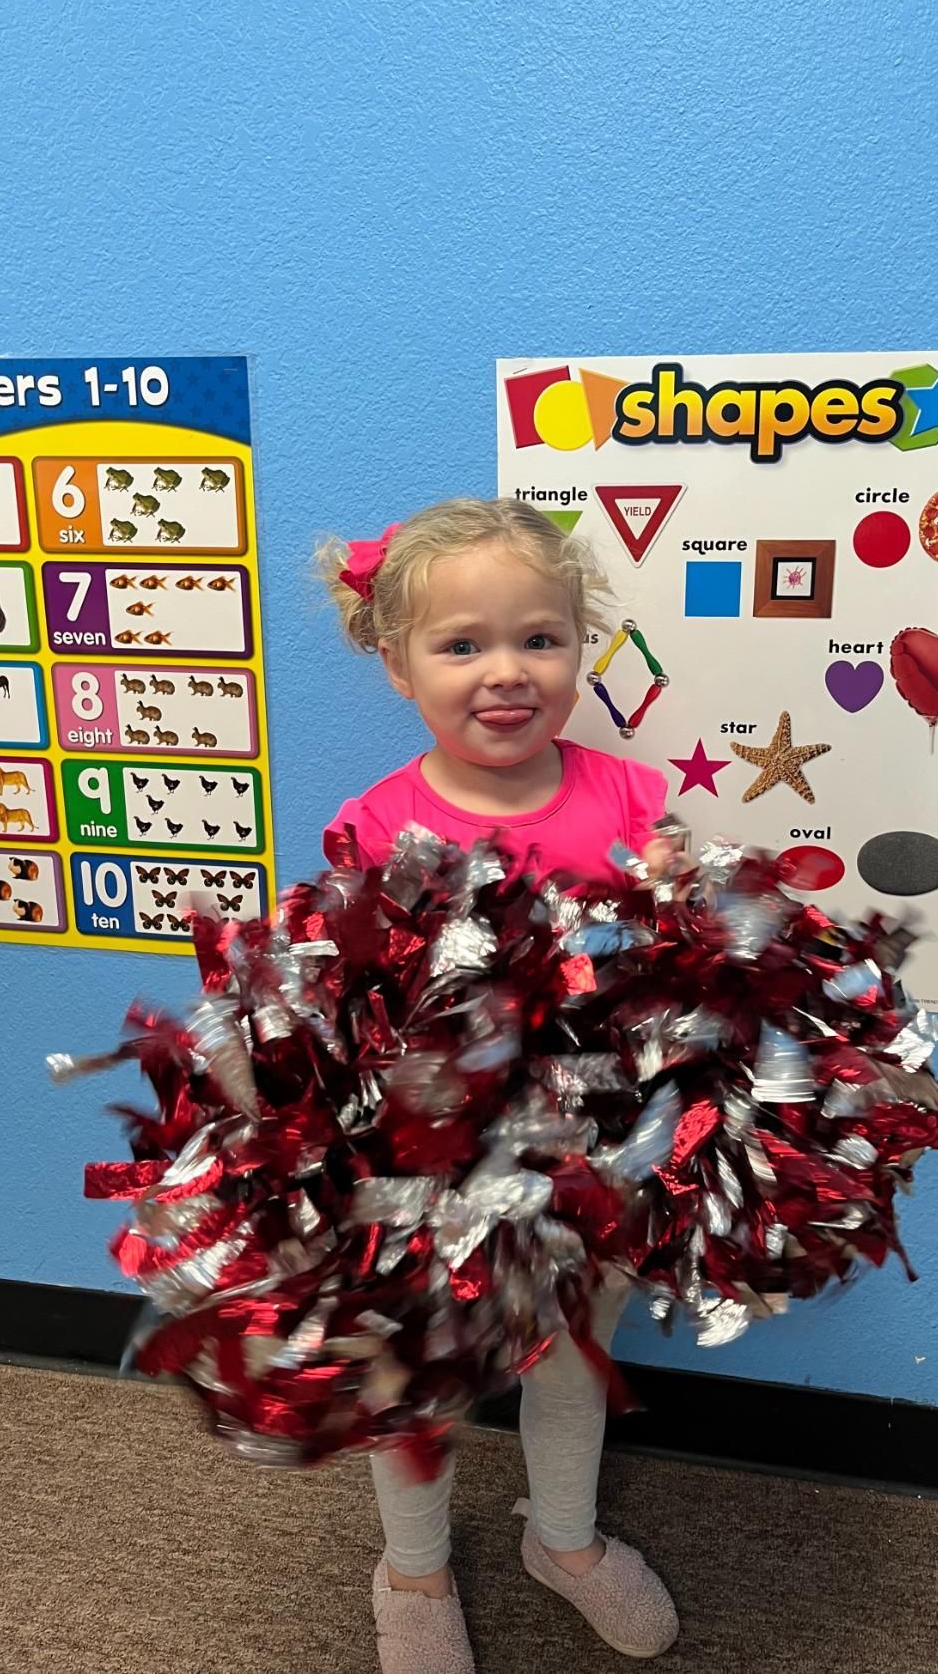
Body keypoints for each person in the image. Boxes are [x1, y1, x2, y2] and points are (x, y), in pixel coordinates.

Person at [319, 497, 681, 1673]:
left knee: (573, 1354)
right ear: (395, 662)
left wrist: (684, 912)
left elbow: (678, 971)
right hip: (430, 1171)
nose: (507, 672)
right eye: (461, 644)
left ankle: (562, 1541)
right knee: (416, 1372)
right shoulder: (374, 827)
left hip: (592, 1157)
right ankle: (412, 1571)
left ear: (582, 647)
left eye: (540, 637)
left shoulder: (633, 799)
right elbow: (337, 1010)